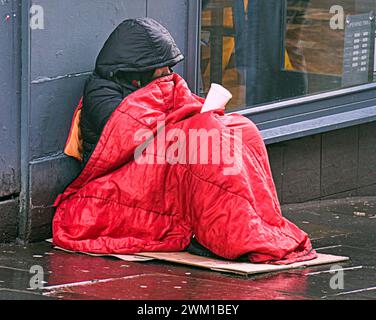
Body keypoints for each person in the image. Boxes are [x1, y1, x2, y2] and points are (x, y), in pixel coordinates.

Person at [80, 18, 184, 167]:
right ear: (141, 66)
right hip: (112, 171)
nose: (167, 72)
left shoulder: (150, 82)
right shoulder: (100, 91)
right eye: (162, 66)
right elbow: (131, 133)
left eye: (169, 65)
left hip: (148, 161)